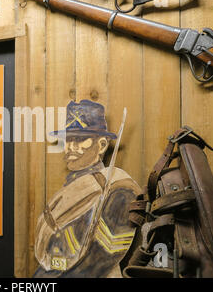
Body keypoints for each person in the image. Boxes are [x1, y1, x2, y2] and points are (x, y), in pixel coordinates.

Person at [34, 99, 141, 277]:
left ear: (102, 145)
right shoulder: (68, 189)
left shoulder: (119, 189)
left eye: (81, 139)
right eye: (68, 140)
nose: (71, 147)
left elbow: (103, 258)